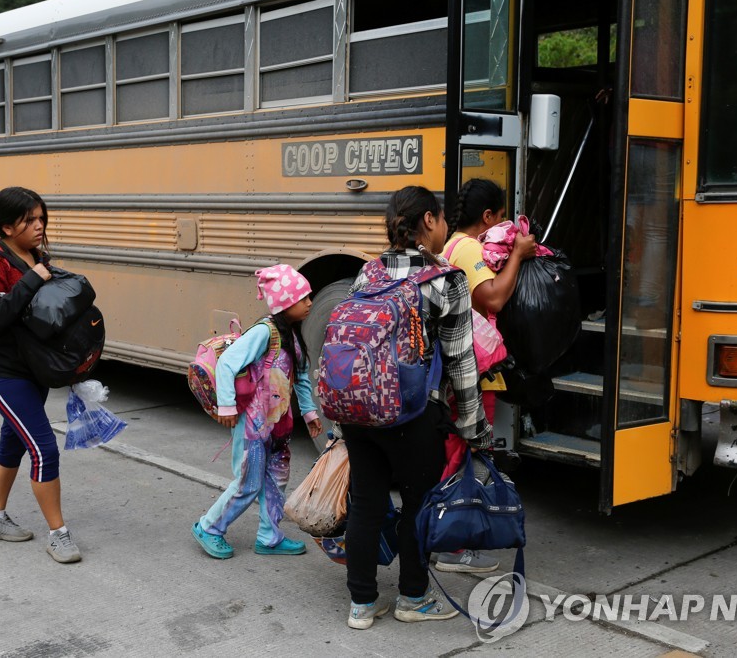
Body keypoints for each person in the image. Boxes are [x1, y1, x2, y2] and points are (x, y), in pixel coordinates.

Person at [342, 185, 492, 630]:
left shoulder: (368, 273)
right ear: (429, 220)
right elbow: (462, 362)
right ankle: (413, 597)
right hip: (410, 413)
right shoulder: (446, 279)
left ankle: (362, 606)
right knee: (417, 504)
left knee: (366, 503)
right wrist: (472, 425)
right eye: (442, 217)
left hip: (357, 410)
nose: (445, 225)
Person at [0, 186, 82, 564]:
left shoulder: (36, 256)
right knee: (43, 448)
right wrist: (33, 278)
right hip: (4, 374)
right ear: (5, 226)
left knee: (13, 443)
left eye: (41, 218)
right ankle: (59, 534)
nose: (39, 225)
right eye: (29, 219)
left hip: (33, 369)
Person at [435, 177, 536, 575]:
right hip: (471, 372)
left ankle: (448, 536)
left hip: (460, 366)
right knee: (464, 452)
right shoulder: (468, 247)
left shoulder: (449, 246)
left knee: (458, 451)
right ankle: (452, 546)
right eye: (501, 216)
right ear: (489, 216)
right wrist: (518, 256)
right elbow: (492, 296)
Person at [192, 264, 324, 559]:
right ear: (285, 303)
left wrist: (310, 413)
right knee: (247, 483)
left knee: (277, 481)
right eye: (303, 298)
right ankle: (208, 527)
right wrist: (226, 405)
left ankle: (270, 536)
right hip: (252, 426)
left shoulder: (293, 337)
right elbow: (228, 364)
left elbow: (301, 378)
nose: (309, 303)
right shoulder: (265, 332)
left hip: (279, 427)